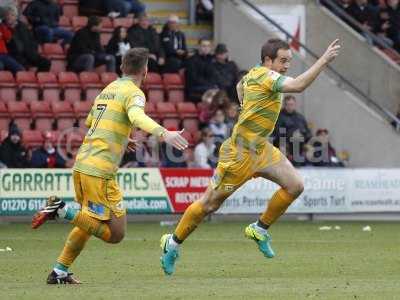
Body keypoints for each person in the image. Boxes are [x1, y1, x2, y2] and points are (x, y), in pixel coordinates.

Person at [159, 38, 341, 275]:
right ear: (268, 60)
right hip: (240, 154)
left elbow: (239, 85)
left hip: (261, 149)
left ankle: (260, 229)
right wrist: (324, 60)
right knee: (208, 205)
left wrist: (246, 104)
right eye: (282, 61)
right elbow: (297, 86)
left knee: (295, 185)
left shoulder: (254, 74)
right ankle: (172, 244)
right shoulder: (266, 76)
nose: (286, 66)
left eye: (289, 61)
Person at [31, 48, 188, 284]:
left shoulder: (108, 89)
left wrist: (123, 138)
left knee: (89, 222)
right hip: (100, 172)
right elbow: (136, 117)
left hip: (83, 164)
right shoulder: (134, 93)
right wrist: (164, 133)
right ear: (145, 71)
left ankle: (59, 271)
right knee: (116, 234)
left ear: (122, 67)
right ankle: (61, 209)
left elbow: (91, 122)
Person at [4, 5, 50, 72]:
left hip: (29, 54)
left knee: (46, 62)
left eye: (12, 15)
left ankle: (37, 79)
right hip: (15, 56)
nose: (9, 17)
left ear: (16, 17)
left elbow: (32, 40)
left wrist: (33, 51)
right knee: (20, 67)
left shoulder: (23, 26)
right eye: (7, 15)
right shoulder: (3, 27)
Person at [272, 95, 312, 162]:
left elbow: (307, 132)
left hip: (300, 142)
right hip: (285, 143)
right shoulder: (279, 117)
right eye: (288, 104)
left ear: (295, 105)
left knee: (311, 147)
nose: (290, 106)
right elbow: (277, 133)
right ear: (284, 105)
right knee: (283, 147)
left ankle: (306, 164)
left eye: (292, 104)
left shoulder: (300, 117)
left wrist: (307, 139)